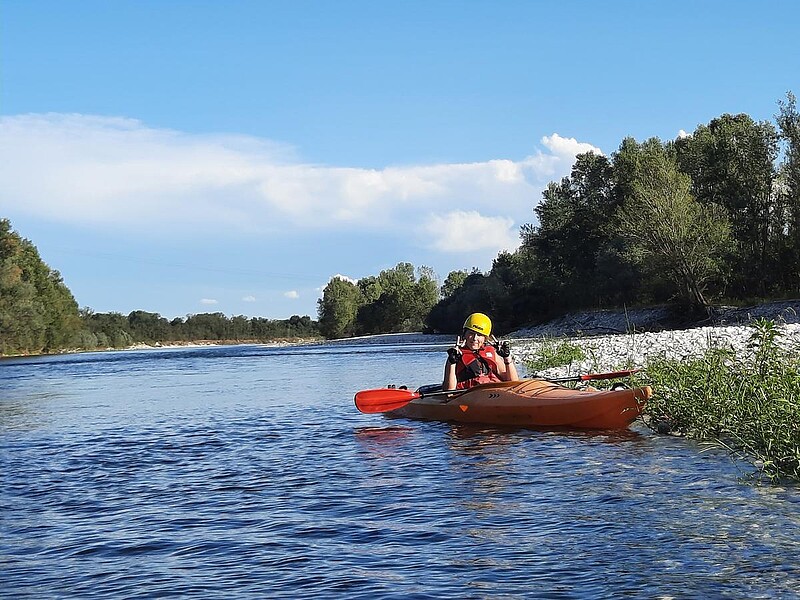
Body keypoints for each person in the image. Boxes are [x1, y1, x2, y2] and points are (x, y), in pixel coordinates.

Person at [443, 312, 519, 391]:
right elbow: (449, 392)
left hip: (495, 392)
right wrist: (452, 363)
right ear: (464, 334)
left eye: (479, 335)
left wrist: (507, 357)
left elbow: (513, 383)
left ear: (485, 338)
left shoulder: (491, 352)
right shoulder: (455, 356)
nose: (475, 338)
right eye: (471, 333)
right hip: (471, 395)